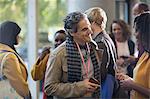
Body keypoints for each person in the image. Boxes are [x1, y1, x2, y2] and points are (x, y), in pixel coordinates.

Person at [44, 11, 101, 99]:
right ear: (72, 33)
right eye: (84, 29)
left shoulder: (93, 47)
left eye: (89, 26)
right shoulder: (58, 54)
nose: (90, 32)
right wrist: (80, 87)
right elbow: (49, 88)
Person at [85, 7, 117, 99]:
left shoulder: (100, 42)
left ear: (93, 23)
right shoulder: (106, 38)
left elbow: (101, 71)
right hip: (109, 83)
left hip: (104, 85)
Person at [117, 12, 150, 99]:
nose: (135, 34)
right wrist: (129, 80)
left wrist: (132, 85)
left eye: (137, 30)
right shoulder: (145, 54)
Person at [31, 30, 66, 99]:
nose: (59, 43)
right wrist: (41, 58)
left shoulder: (72, 56)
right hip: (49, 95)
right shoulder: (48, 56)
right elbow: (35, 76)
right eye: (56, 40)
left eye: (62, 40)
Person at [0, 21, 31, 98]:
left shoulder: (2, 51)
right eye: (17, 35)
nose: (18, 37)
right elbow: (18, 83)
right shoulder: (9, 57)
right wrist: (27, 95)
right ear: (11, 35)